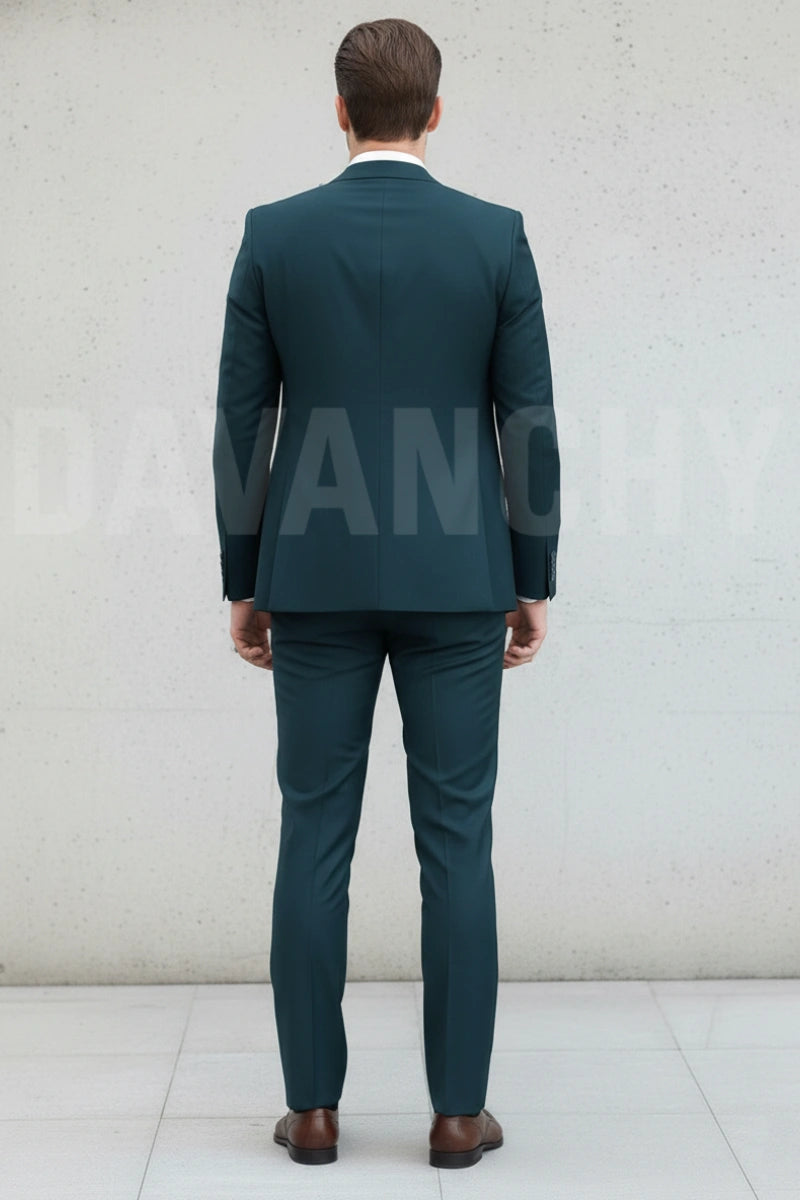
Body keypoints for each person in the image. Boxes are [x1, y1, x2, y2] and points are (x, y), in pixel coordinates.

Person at [212, 16, 560, 1170]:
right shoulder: (492, 236)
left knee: (312, 830)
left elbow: (241, 423)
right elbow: (526, 423)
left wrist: (243, 579)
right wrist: (530, 578)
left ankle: (312, 1111)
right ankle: (456, 1115)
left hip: (310, 575)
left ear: (340, 111)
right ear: (435, 112)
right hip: (458, 576)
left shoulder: (275, 234)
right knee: (456, 839)